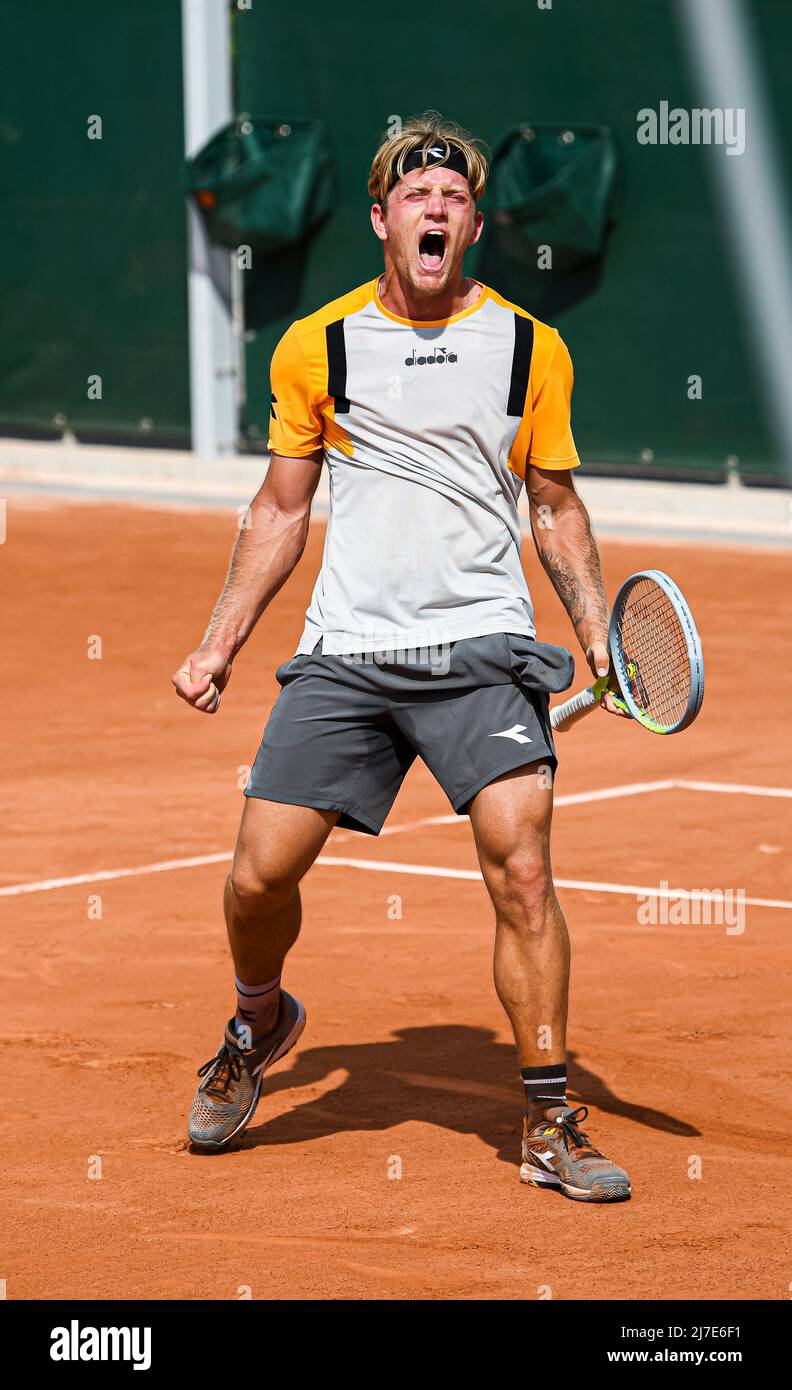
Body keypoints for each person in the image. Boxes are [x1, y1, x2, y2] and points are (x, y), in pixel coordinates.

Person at [173, 113, 631, 1202]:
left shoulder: (529, 345)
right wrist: (220, 640)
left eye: (455, 196)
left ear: (472, 224)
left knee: (522, 866)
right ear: (380, 219)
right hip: (349, 653)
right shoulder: (317, 344)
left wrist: (597, 629)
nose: (436, 206)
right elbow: (282, 511)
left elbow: (552, 505)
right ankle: (259, 1018)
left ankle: (549, 1116)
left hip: (482, 646)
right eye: (415, 193)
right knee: (256, 877)